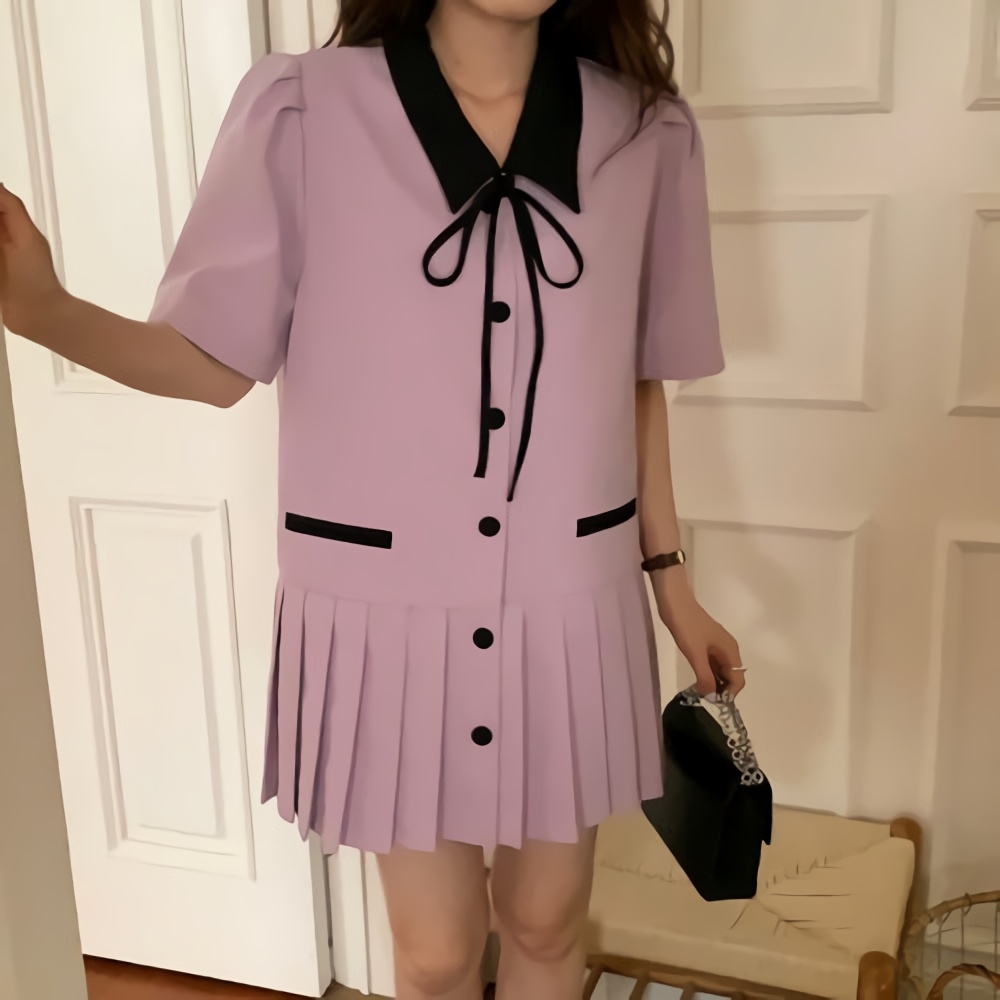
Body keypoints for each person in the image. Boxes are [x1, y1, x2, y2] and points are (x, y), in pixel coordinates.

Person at [0, 0, 745, 997]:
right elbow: (213, 363)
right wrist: (45, 312)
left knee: (547, 917)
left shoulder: (645, 131)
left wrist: (672, 584)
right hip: (384, 609)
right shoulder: (304, 111)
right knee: (434, 950)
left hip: (570, 596)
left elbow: (636, 380)